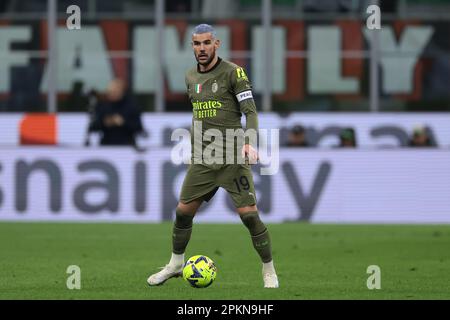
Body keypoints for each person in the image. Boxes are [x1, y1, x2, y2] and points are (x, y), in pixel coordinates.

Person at [147, 24, 279, 288]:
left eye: (207, 43)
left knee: (249, 216)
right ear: (192, 47)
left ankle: (269, 270)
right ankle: (175, 263)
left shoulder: (234, 72)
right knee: (183, 212)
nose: (202, 48)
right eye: (197, 44)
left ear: (216, 44)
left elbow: (250, 112)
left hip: (232, 156)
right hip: (204, 158)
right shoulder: (189, 77)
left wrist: (248, 143)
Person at [88, 78, 145, 147]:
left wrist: (123, 122)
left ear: (122, 92)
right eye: (110, 92)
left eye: (115, 92)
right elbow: (93, 127)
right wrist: (105, 122)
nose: (112, 94)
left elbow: (139, 128)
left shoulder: (131, 106)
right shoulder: (102, 105)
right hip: (106, 145)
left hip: (127, 145)